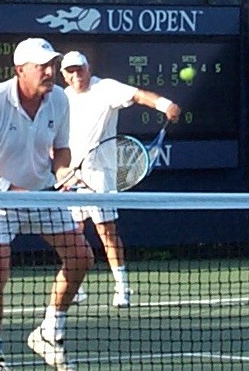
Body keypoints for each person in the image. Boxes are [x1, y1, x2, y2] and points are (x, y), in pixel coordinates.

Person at [0, 38, 94, 371]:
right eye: (42, 66)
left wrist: (63, 174)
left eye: (52, 64)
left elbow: (60, 150)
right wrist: (6, 189)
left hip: (40, 191)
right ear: (20, 70)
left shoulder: (59, 100)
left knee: (81, 257)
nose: (50, 71)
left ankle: (50, 332)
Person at [60, 51, 181, 308]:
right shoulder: (61, 99)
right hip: (70, 175)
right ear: (64, 75)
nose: (76, 75)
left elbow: (138, 95)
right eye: (70, 71)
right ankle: (76, 287)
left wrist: (165, 104)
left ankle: (122, 287)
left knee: (107, 232)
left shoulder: (105, 88)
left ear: (88, 68)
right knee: (71, 235)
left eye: (79, 69)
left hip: (100, 174)